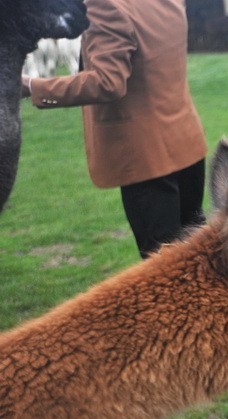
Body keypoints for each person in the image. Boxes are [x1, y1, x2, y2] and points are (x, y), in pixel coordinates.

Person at [21, 0, 207, 260]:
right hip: (187, 142)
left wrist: (34, 87)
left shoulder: (106, 6)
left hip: (146, 159)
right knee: (197, 259)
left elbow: (107, 82)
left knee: (165, 268)